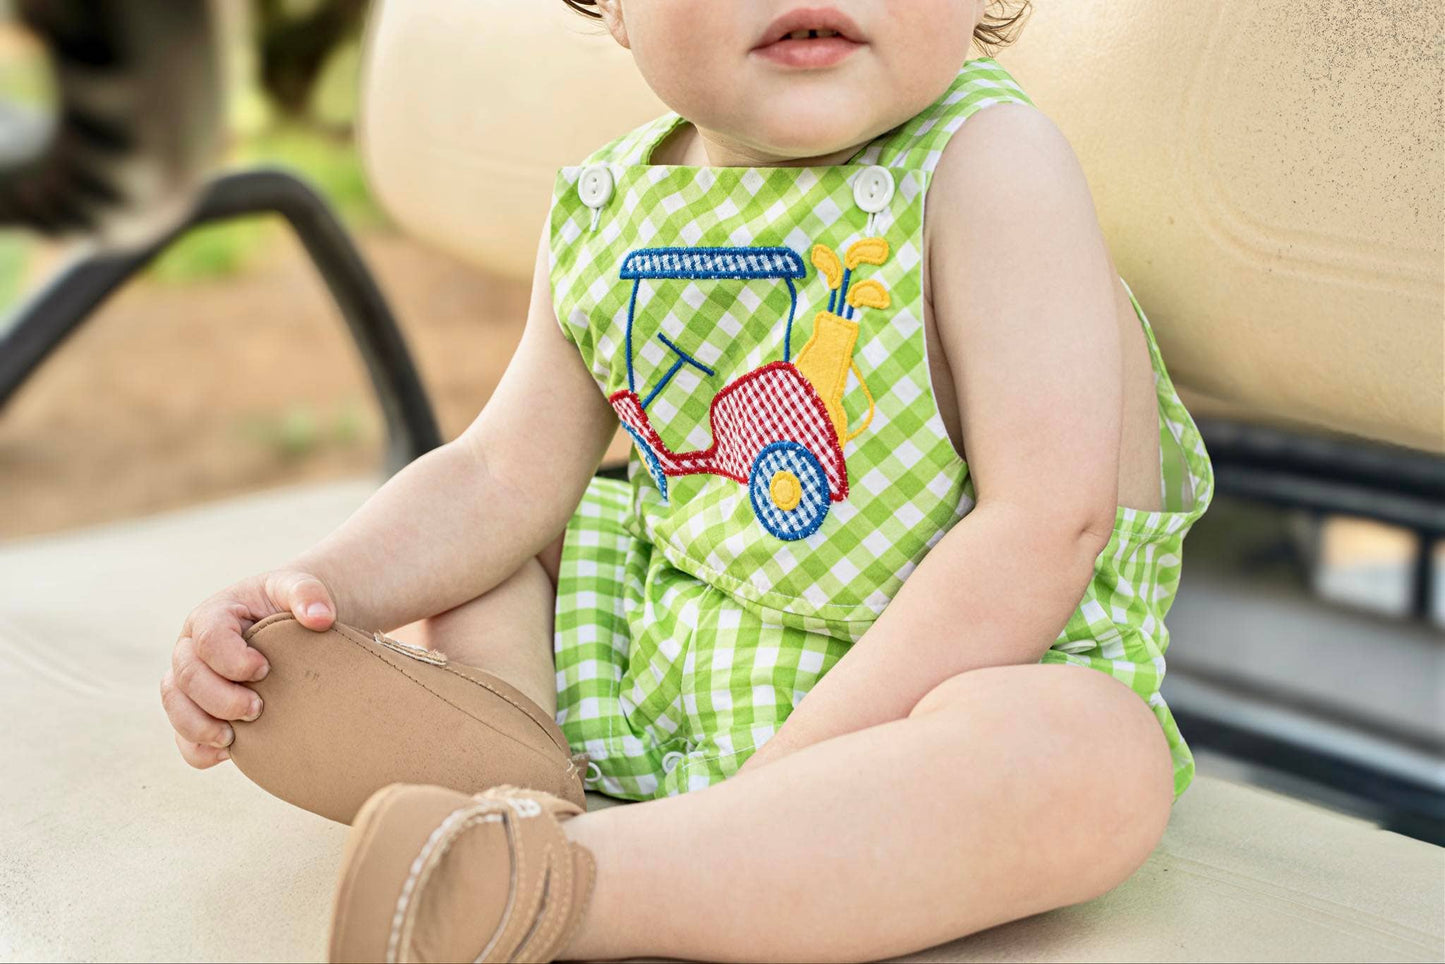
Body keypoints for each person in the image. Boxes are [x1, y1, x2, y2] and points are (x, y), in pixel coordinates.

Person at [160, 1, 1215, 960]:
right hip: (666, 658)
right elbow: (493, 475)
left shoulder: (990, 163)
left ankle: (566, 885)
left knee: (1094, 760)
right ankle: (511, 757)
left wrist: (788, 787)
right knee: (490, 546)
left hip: (927, 697)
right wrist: (315, 588)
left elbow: (1043, 527)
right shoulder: (612, 207)